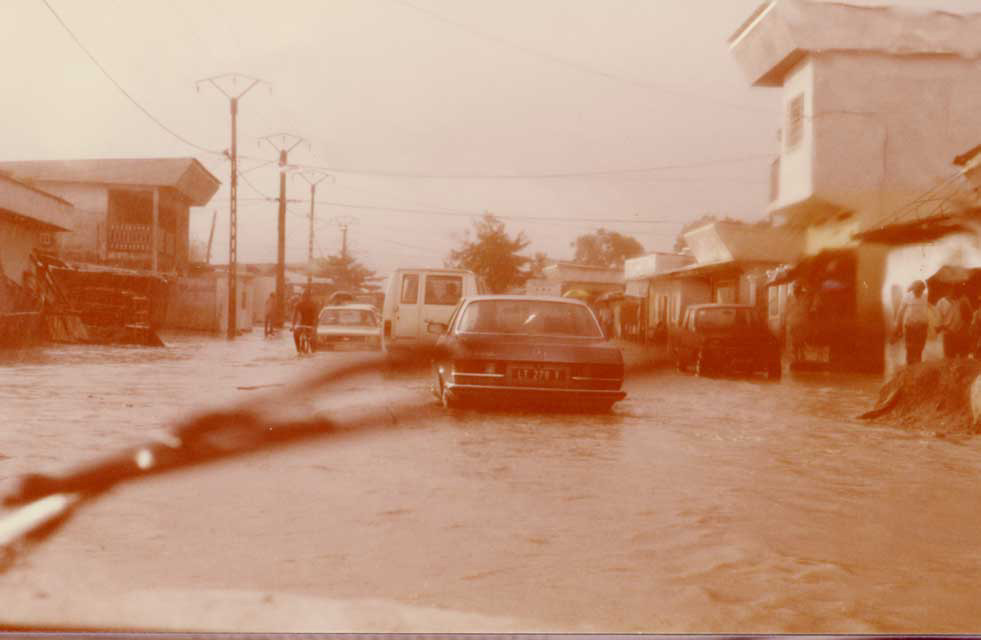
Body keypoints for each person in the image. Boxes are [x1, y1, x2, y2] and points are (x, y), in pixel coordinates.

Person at [894, 280, 931, 365]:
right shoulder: (907, 297)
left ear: (923, 290)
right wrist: (897, 325)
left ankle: (917, 366)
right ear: (913, 289)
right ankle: (909, 366)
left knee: (919, 348)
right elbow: (901, 311)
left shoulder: (925, 296)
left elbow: (928, 309)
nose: (919, 292)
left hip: (922, 326)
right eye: (917, 290)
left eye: (921, 290)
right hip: (910, 326)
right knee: (910, 348)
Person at [937, 285, 972, 358]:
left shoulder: (964, 301)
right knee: (949, 356)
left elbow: (969, 316)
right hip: (948, 332)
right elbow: (938, 318)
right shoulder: (942, 302)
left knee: (963, 355)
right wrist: (941, 327)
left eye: (955, 291)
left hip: (961, 332)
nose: (953, 293)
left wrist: (964, 326)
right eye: (951, 290)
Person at [291, 289, 319, 353]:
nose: (305, 298)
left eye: (306, 296)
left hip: (311, 324)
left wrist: (315, 326)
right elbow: (294, 316)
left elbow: (316, 316)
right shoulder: (298, 304)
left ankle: (313, 351)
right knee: (295, 334)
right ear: (302, 297)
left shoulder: (313, 304)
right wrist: (293, 326)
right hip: (302, 324)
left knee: (312, 339)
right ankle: (298, 349)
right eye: (304, 296)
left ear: (309, 297)